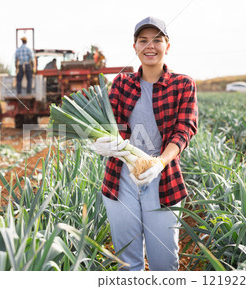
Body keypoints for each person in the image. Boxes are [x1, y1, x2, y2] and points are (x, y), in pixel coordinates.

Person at [90, 16, 198, 271]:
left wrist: (159, 162)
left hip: (163, 181)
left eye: (157, 40)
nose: (150, 46)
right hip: (120, 180)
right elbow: (107, 124)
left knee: (164, 263)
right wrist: (101, 142)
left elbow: (184, 130)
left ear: (167, 46)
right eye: (143, 40)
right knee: (128, 264)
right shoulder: (121, 83)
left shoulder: (183, 84)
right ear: (135, 47)